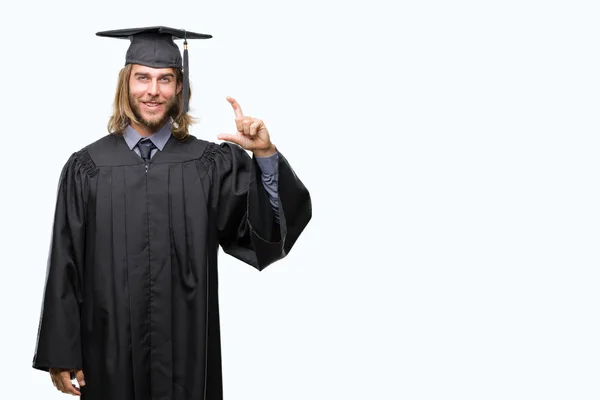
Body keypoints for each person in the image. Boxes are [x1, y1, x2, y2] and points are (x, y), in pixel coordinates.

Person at [31, 26, 312, 399]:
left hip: (188, 354)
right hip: (108, 353)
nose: (153, 90)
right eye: (142, 78)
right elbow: (66, 262)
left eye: (166, 79)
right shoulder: (87, 168)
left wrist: (264, 154)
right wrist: (61, 353)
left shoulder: (210, 165)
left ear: (180, 87)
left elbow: (265, 237)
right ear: (126, 84)